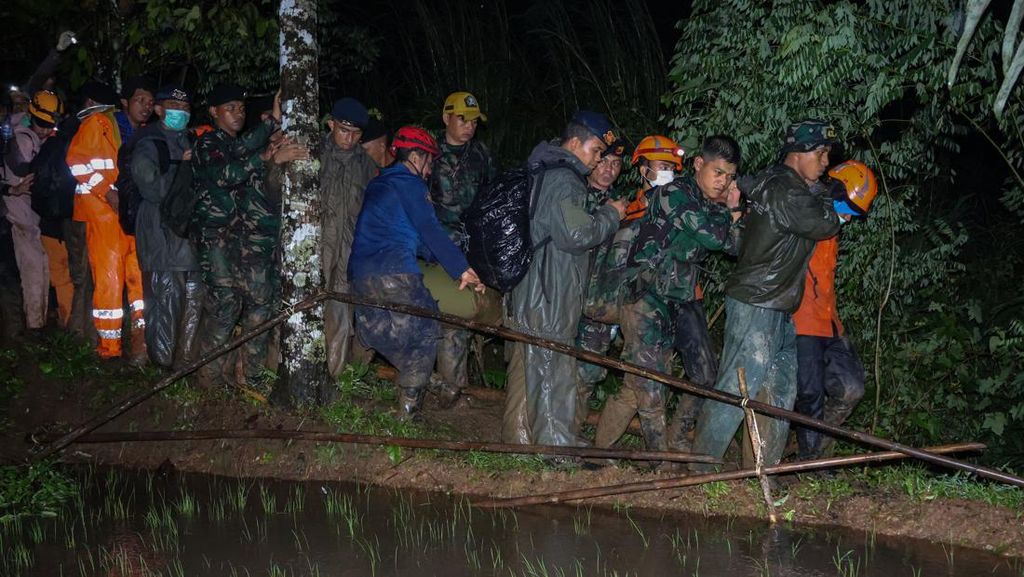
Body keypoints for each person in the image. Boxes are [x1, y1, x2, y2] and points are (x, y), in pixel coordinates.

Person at [691, 120, 842, 470]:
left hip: (777, 304)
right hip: (757, 303)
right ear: (798, 154)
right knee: (734, 388)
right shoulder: (785, 190)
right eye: (820, 154)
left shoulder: (778, 184)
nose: (825, 162)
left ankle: (762, 469)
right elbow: (827, 223)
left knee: (778, 391)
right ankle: (699, 465)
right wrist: (824, 194)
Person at [592, 135, 741, 455]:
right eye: (718, 173)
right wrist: (732, 211)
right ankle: (660, 461)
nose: (724, 182)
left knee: (654, 384)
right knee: (649, 384)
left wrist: (728, 214)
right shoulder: (675, 193)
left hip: (680, 298)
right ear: (699, 165)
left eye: (730, 176)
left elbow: (734, 246)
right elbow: (716, 238)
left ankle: (606, 450)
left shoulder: (705, 202)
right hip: (646, 296)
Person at [500, 110, 626, 452]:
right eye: (596, 150)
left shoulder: (545, 169)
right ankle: (556, 450)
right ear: (574, 142)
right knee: (551, 370)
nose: (599, 159)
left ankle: (518, 442)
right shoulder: (565, 179)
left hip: (531, 287)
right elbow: (575, 234)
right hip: (549, 291)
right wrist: (610, 214)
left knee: (527, 371)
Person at [349, 126, 485, 418]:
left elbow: (420, 241)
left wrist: (440, 260)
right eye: (429, 161)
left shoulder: (380, 184)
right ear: (417, 157)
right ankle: (406, 419)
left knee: (387, 337)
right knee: (424, 335)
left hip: (360, 277)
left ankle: (440, 387)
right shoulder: (410, 184)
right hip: (396, 272)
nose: (430, 168)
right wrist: (462, 269)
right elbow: (431, 230)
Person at [192, 84, 284, 394]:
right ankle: (210, 379)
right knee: (225, 305)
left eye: (241, 108)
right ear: (214, 112)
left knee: (255, 303)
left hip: (242, 239)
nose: (238, 113)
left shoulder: (236, 145)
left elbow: (246, 150)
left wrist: (271, 124)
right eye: (230, 108)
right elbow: (225, 175)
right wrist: (264, 153)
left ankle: (246, 375)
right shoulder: (210, 144)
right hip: (216, 238)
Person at [791, 159, 877, 460]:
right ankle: (810, 461)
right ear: (836, 193)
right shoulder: (804, 211)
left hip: (829, 322)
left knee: (852, 387)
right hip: (801, 320)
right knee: (810, 394)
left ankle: (814, 448)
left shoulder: (832, 227)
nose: (850, 219)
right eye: (850, 210)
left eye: (857, 214)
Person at [66, 80, 147, 363]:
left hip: (127, 215)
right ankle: (108, 348)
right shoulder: (99, 123)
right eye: (141, 100)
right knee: (109, 280)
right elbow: (75, 161)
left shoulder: (139, 132)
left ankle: (140, 339)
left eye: (150, 102)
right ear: (125, 102)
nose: (146, 106)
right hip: (101, 215)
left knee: (137, 277)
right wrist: (106, 191)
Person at [429, 91, 497, 406]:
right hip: (434, 249)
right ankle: (441, 386)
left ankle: (453, 388)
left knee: (462, 319)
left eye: (473, 121)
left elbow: (491, 200)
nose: (469, 126)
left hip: (471, 248)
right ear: (446, 118)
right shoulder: (428, 151)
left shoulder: (481, 154)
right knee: (440, 316)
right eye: (462, 119)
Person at [130, 85, 204, 369]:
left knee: (194, 299)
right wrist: (182, 168)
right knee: (164, 302)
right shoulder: (149, 143)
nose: (180, 112)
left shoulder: (192, 140)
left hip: (190, 237)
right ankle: (162, 367)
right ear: (160, 109)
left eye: (185, 108)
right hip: (161, 235)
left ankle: (185, 363)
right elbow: (153, 189)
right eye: (174, 106)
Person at [320, 97, 377, 377]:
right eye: (344, 129)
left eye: (356, 133)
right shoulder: (312, 152)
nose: (349, 137)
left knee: (341, 316)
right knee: (301, 310)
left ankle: (334, 377)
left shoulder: (366, 165)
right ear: (331, 125)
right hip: (314, 249)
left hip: (347, 251)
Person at [573, 141, 626, 435]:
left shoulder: (624, 206)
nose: (608, 169)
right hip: (569, 294)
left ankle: (572, 431)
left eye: (616, 165)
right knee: (558, 364)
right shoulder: (574, 195)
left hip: (600, 304)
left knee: (589, 371)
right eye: (603, 161)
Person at [1, 91, 63, 331]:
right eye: (42, 124)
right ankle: (33, 327)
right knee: (33, 270)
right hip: (17, 217)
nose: (46, 130)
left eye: (50, 125)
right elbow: (24, 170)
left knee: (40, 267)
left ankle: (35, 323)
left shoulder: (32, 134)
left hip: (29, 216)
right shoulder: (21, 137)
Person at [116, 77, 155, 141]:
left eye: (151, 103)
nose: (148, 106)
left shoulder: (149, 134)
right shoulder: (105, 127)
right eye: (141, 100)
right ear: (124, 102)